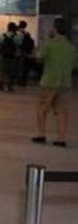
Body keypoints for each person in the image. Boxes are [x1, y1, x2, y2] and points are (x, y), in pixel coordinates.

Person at [31, 18, 76, 147]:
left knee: (42, 108)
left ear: (55, 29)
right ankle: (61, 138)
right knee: (61, 111)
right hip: (65, 82)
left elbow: (39, 58)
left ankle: (41, 134)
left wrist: (36, 53)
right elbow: (74, 65)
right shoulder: (71, 47)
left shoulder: (49, 44)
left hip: (49, 81)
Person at [0, 22, 21, 92]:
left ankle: (1, 83)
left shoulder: (3, 35)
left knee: (2, 70)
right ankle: (9, 86)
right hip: (12, 56)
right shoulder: (16, 36)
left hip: (3, 55)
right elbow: (19, 44)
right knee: (11, 71)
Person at [18, 20, 36, 86]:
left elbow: (19, 44)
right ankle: (23, 81)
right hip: (28, 54)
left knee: (20, 67)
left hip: (21, 53)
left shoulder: (18, 33)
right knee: (25, 68)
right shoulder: (27, 34)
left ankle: (19, 80)